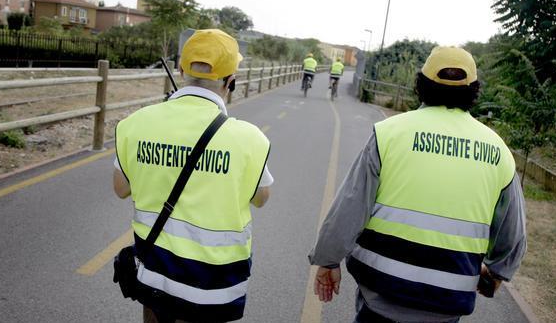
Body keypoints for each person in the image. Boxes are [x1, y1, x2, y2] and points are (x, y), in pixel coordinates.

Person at [308, 46, 527, 322]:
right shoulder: (499, 152)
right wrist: (496, 272)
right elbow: (513, 233)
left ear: (421, 85)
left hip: (380, 292)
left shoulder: (389, 134)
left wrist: (328, 260)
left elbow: (351, 205)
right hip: (448, 300)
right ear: (474, 90)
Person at [113, 29, 274, 323]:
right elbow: (261, 198)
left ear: (180, 69)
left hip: (154, 271)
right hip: (214, 284)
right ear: (231, 81)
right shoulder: (249, 138)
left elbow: (121, 188)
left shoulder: (135, 123)